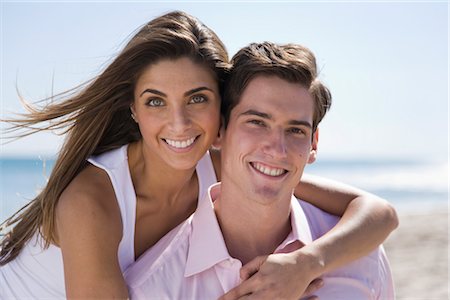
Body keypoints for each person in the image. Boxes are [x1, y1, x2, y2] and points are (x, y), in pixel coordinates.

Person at [0, 11, 397, 299]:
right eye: (156, 101)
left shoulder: (217, 161)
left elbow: (377, 212)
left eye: (197, 98)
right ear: (133, 109)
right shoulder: (92, 199)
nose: (179, 123)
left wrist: (307, 263)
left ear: (221, 113)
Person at [125, 41, 395, 299]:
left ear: (313, 143)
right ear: (220, 131)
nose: (277, 149)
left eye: (295, 130)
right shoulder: (152, 288)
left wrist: (308, 263)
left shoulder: (363, 260)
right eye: (257, 122)